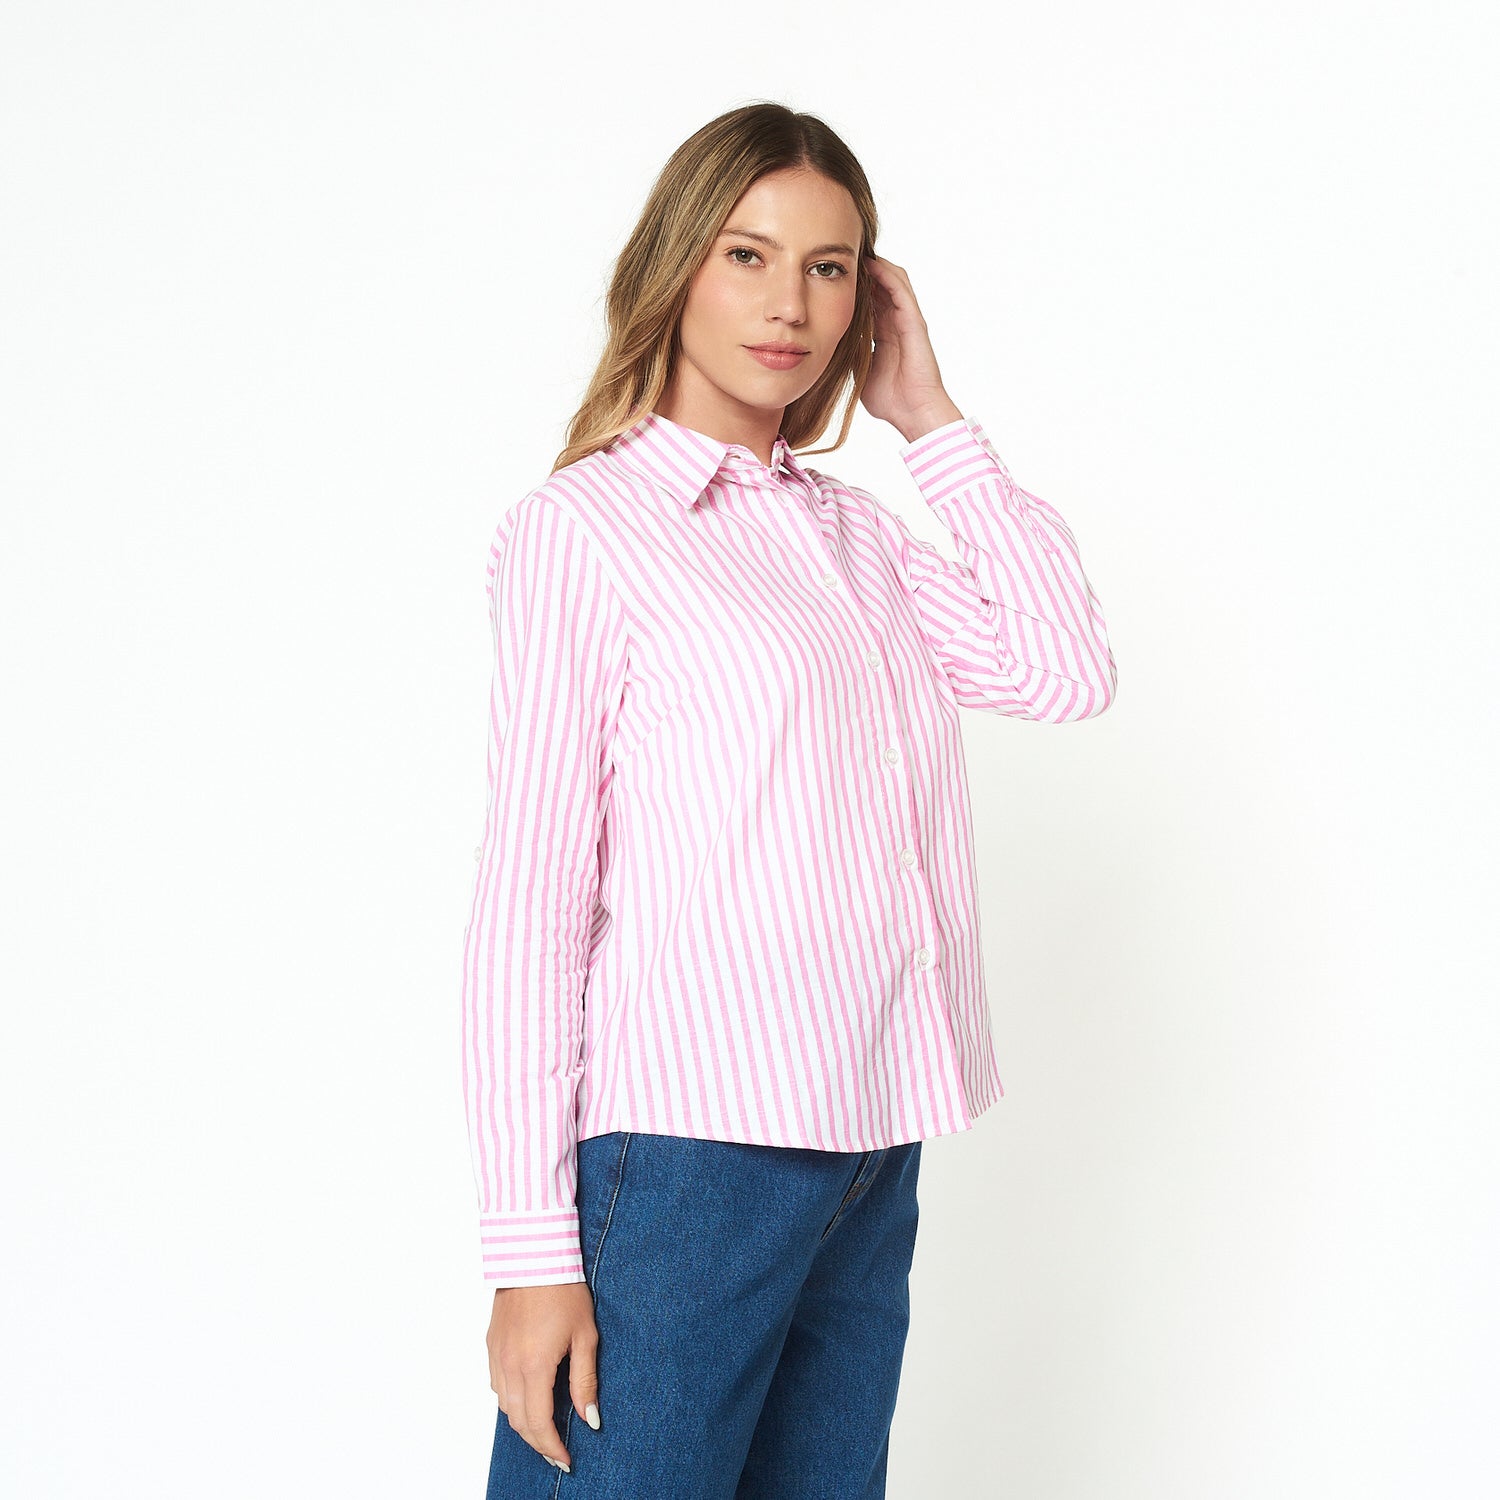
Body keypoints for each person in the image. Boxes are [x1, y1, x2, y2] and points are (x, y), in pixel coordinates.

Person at [460, 101, 1117, 1498]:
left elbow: (1063, 671)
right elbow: (531, 901)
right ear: (676, 265)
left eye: (830, 268)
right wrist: (529, 1248)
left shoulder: (857, 535)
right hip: (690, 1158)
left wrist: (929, 419)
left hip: (872, 1144)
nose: (791, 304)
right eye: (748, 256)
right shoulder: (585, 531)